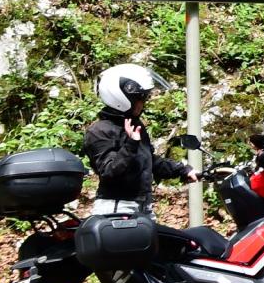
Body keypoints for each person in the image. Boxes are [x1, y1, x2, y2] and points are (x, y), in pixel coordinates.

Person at [84, 63, 199, 216]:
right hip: (117, 207)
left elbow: (149, 161)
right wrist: (131, 143)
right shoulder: (99, 131)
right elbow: (109, 171)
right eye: (141, 97)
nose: (143, 103)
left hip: (144, 205)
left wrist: (183, 170)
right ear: (123, 98)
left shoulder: (135, 126)